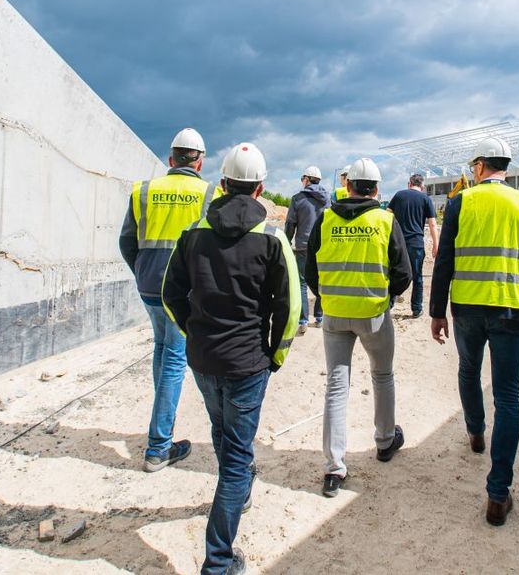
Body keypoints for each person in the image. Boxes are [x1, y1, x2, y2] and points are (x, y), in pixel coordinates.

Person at [162, 142, 300, 575]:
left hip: (204, 359)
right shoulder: (273, 239)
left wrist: (194, 332)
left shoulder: (193, 233)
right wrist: (274, 353)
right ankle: (218, 562)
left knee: (221, 429)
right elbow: (291, 308)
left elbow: (171, 293)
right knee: (238, 455)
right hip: (248, 363)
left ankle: (235, 495)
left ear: (222, 183)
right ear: (261, 188)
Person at [428, 137, 519, 527]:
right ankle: (498, 494)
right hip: (512, 307)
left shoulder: (462, 202)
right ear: (506, 167)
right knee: (508, 395)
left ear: (479, 166)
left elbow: (444, 259)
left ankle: (475, 432)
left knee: (468, 370)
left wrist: (436, 312)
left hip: (467, 307)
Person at [305, 157, 411, 498]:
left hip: (335, 315)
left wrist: (328, 295)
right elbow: (403, 273)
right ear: (376, 189)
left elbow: (311, 269)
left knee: (337, 387)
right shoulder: (384, 220)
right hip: (373, 314)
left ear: (347, 186)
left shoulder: (326, 218)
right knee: (382, 375)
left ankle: (334, 468)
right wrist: (386, 296)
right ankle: (384, 441)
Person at [119, 127, 218, 472]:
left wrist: (143, 270)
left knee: (162, 349)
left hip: (148, 286)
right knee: (175, 358)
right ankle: (159, 446)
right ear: (201, 162)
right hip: (183, 291)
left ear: (171, 159)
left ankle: (162, 426)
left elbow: (126, 242)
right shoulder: (208, 192)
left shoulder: (144, 191)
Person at [284, 165, 329, 334]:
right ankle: (319, 317)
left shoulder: (298, 199)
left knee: (302, 283)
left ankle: (303, 320)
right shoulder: (327, 199)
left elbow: (290, 224)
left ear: (307, 179)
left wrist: (286, 241)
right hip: (323, 246)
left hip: (303, 246)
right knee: (321, 280)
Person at [387, 173, 439, 318]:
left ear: (409, 183)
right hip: (415, 244)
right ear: (422, 186)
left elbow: (387, 216)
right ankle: (416, 309)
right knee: (417, 277)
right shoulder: (425, 199)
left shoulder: (399, 195)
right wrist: (436, 244)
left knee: (393, 273)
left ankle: (388, 305)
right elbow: (433, 224)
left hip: (397, 242)